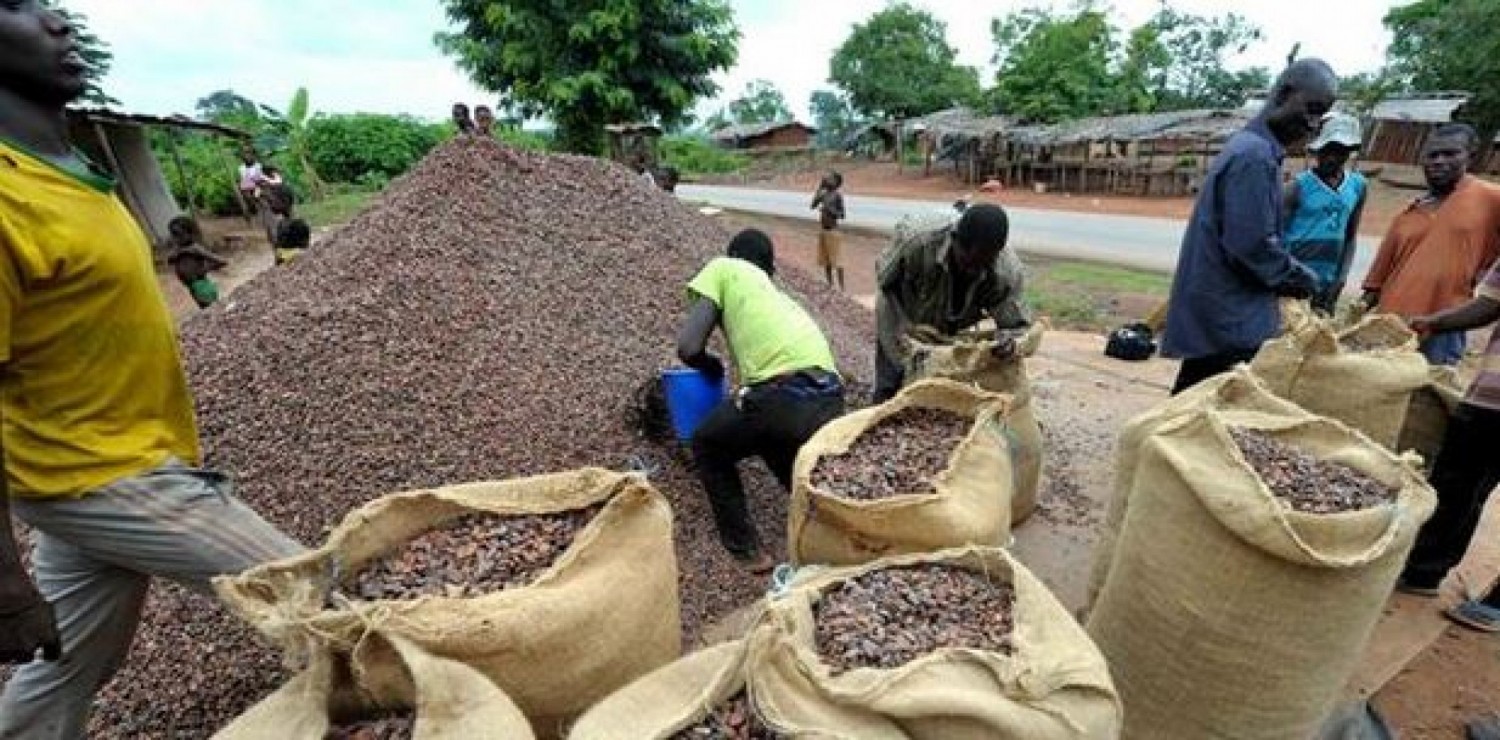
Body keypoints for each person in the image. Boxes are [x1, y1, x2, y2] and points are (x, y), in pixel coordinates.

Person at [0, 5, 305, 737]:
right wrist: (4, 581)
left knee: (71, 663)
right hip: (100, 476)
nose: (55, 21)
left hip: (123, 455)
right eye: (14, 6)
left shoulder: (75, 172)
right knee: (306, 593)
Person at [1160, 60, 1335, 394]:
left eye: (1320, 116)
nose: (1313, 124)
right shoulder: (1254, 156)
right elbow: (1251, 246)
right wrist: (1301, 278)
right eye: (1311, 110)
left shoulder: (1254, 149)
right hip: (1231, 318)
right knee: (1205, 416)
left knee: (1191, 409)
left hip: (1221, 313)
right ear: (1284, 94)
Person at [677, 229, 845, 573]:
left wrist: (711, 367)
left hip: (782, 397)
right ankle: (830, 534)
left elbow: (689, 348)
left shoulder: (724, 268)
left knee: (709, 443)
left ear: (735, 255)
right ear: (770, 269)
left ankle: (746, 550)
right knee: (772, 439)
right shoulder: (781, 299)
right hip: (829, 398)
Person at [1395, 263, 1500, 628]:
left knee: (1458, 483)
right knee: (1455, 483)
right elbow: (1489, 303)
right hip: (1492, 395)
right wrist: (1435, 322)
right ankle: (1423, 571)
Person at [1361, 123, 1500, 366]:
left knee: (1433, 394)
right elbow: (1375, 285)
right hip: (1393, 324)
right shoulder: (1408, 214)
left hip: (1445, 324)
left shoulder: (1489, 199)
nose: (1439, 161)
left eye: (1450, 153)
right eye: (1432, 155)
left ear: (1471, 156)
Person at [874, 203, 1029, 403]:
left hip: (951, 328)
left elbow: (1017, 326)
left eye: (982, 265)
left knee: (943, 391)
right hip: (903, 313)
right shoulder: (918, 241)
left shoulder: (1006, 272)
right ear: (954, 240)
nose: (973, 271)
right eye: (968, 262)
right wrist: (902, 333)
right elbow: (885, 281)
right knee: (892, 381)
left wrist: (1008, 341)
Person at [1283, 112, 1368, 314]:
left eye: (1339, 151)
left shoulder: (1358, 185)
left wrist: (1341, 277)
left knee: (1319, 338)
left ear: (1348, 153)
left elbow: (1350, 236)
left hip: (1327, 281)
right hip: (1293, 278)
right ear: (1318, 150)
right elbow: (1275, 238)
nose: (1332, 157)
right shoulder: (1297, 187)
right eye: (1327, 150)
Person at [164, 216, 227, 309]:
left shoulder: (195, 248)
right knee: (205, 308)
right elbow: (170, 261)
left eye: (178, 234)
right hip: (192, 286)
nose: (175, 238)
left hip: (201, 285)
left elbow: (222, 261)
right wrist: (176, 255)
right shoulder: (178, 249)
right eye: (173, 234)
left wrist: (203, 270)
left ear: (190, 233)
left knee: (211, 307)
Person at [810, 171, 847, 290]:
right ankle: (830, 284)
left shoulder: (837, 196)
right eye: (826, 178)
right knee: (827, 261)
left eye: (830, 178)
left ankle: (842, 287)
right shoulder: (823, 194)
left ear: (836, 183)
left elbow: (842, 215)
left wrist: (829, 209)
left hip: (833, 231)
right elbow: (812, 205)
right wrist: (819, 188)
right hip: (824, 230)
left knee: (838, 261)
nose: (826, 179)